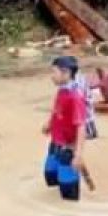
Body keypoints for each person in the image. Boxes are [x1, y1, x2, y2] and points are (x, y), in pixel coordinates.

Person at [43, 55, 88, 201]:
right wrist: (49, 123)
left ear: (66, 73)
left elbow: (81, 126)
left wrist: (78, 155)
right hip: (56, 142)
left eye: (54, 72)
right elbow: (57, 109)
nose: (51, 76)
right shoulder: (62, 90)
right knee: (50, 176)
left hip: (68, 148)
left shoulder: (75, 97)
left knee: (67, 191)